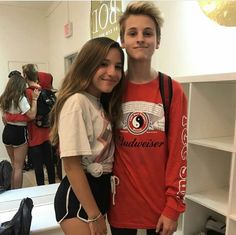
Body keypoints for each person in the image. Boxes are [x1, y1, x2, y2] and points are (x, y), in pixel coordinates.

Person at [108, 2, 188, 235]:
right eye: (132, 33)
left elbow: (178, 153)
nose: (140, 38)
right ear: (122, 40)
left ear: (158, 41)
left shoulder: (171, 90)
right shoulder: (112, 88)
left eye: (148, 33)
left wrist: (173, 207)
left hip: (159, 208)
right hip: (119, 207)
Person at [50, 37, 125, 235]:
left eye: (118, 66)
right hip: (78, 198)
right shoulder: (77, 102)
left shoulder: (100, 102)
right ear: (87, 64)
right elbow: (71, 165)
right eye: (103, 64)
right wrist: (94, 214)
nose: (112, 72)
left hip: (98, 192)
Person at [5, 65, 56, 186]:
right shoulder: (47, 92)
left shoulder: (27, 92)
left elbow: (29, 116)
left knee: (37, 166)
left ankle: (40, 190)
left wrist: (9, 117)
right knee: (49, 163)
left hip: (33, 135)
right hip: (47, 133)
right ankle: (53, 187)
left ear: (26, 76)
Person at [0, 71, 40, 189]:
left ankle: (12, 190)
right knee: (19, 167)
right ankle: (17, 193)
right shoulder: (20, 98)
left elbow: (4, 118)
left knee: (14, 165)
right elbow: (32, 115)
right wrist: (35, 100)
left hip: (7, 132)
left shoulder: (4, 97)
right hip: (18, 132)